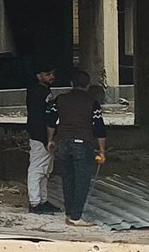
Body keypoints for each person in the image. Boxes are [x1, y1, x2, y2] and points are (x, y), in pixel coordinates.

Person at [48, 69, 107, 227]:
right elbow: (99, 128)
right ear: (87, 85)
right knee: (82, 180)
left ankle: (69, 213)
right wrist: (102, 151)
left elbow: (51, 121)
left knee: (67, 179)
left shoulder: (60, 99)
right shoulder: (92, 103)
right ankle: (76, 217)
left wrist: (50, 140)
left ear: (71, 84)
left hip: (63, 143)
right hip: (82, 143)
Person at [25, 62, 60, 214]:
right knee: (37, 169)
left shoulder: (41, 91)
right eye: (48, 74)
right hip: (40, 135)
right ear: (39, 76)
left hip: (41, 134)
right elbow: (42, 117)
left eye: (52, 73)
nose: (52, 76)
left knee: (45, 170)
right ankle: (35, 203)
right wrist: (47, 138)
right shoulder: (38, 92)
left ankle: (42, 200)